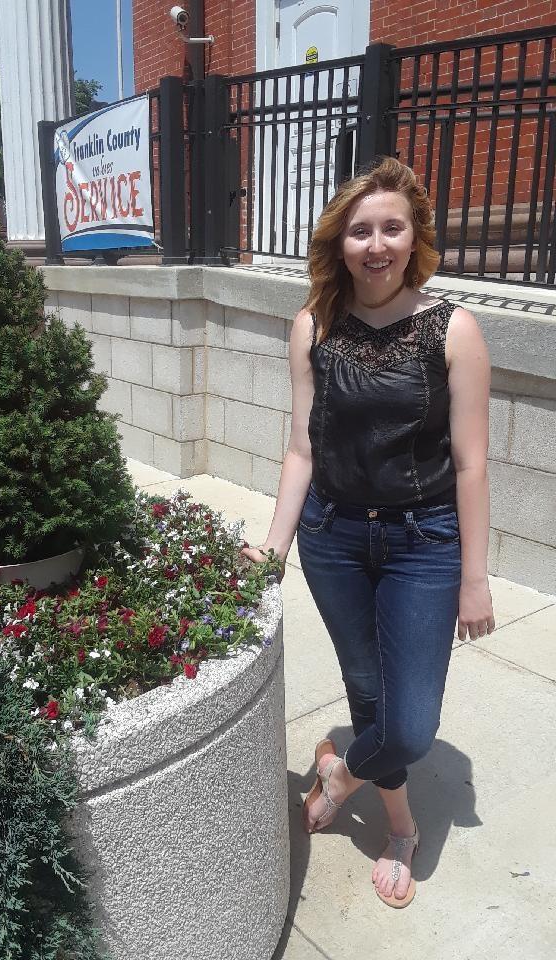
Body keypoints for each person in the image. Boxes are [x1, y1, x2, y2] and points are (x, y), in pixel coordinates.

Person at [240, 157, 494, 909]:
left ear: (414, 237)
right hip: (334, 537)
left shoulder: (454, 330)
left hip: (426, 542)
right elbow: (302, 449)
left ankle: (339, 773)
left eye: (391, 228)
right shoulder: (313, 327)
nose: (376, 245)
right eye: (360, 231)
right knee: (367, 693)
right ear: (339, 243)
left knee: (408, 726)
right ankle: (401, 828)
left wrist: (475, 577)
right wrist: (275, 546)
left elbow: (473, 466)